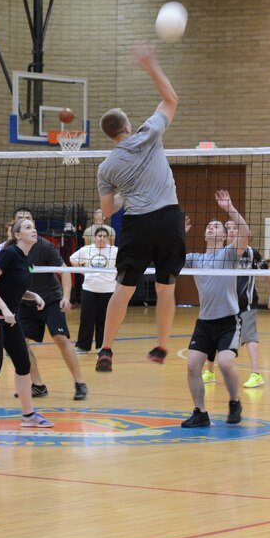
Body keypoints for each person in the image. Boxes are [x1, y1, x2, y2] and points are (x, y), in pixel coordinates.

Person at [95, 44, 186, 372]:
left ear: (110, 135)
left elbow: (107, 211)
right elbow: (171, 99)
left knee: (123, 287)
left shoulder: (107, 167)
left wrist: (125, 194)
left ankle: (106, 349)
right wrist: (151, 66)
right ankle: (161, 346)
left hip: (137, 223)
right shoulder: (149, 132)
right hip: (167, 219)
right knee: (166, 286)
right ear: (128, 125)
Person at [0, 217, 54, 428]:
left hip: (9, 318)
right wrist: (5, 309)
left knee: (23, 364)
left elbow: (12, 287)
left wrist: (32, 295)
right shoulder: (8, 254)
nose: (34, 230)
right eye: (28, 227)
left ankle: (28, 416)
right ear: (17, 235)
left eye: (34, 227)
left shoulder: (27, 258)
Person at [181, 190, 250, 428]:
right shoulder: (195, 258)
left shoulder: (229, 253)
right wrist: (179, 234)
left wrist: (229, 207)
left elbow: (245, 233)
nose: (211, 228)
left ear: (223, 235)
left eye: (216, 226)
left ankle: (234, 402)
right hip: (204, 322)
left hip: (228, 321)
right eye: (208, 226)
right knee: (191, 365)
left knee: (225, 363)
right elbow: (170, 256)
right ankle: (200, 412)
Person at [14, 208, 88, 401]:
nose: (30, 227)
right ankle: (37, 384)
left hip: (51, 299)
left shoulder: (45, 246)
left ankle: (80, 382)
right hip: (25, 302)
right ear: (16, 230)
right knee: (19, 344)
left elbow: (64, 271)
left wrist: (66, 297)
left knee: (60, 338)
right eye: (23, 222)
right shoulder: (9, 250)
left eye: (31, 221)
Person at [202, 222, 270, 388]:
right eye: (227, 228)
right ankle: (209, 372)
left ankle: (255, 374)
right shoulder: (221, 253)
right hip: (225, 303)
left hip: (246, 303)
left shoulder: (250, 253)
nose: (231, 230)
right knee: (214, 335)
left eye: (234, 228)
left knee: (249, 336)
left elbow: (268, 270)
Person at [69, 227, 118, 354]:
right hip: (89, 288)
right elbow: (72, 259)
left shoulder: (114, 251)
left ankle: (101, 346)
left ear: (107, 239)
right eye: (99, 236)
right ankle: (82, 346)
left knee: (103, 319)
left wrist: (115, 276)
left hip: (108, 289)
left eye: (104, 236)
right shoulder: (87, 249)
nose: (101, 238)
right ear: (94, 237)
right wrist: (84, 272)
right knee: (86, 318)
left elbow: (123, 264)